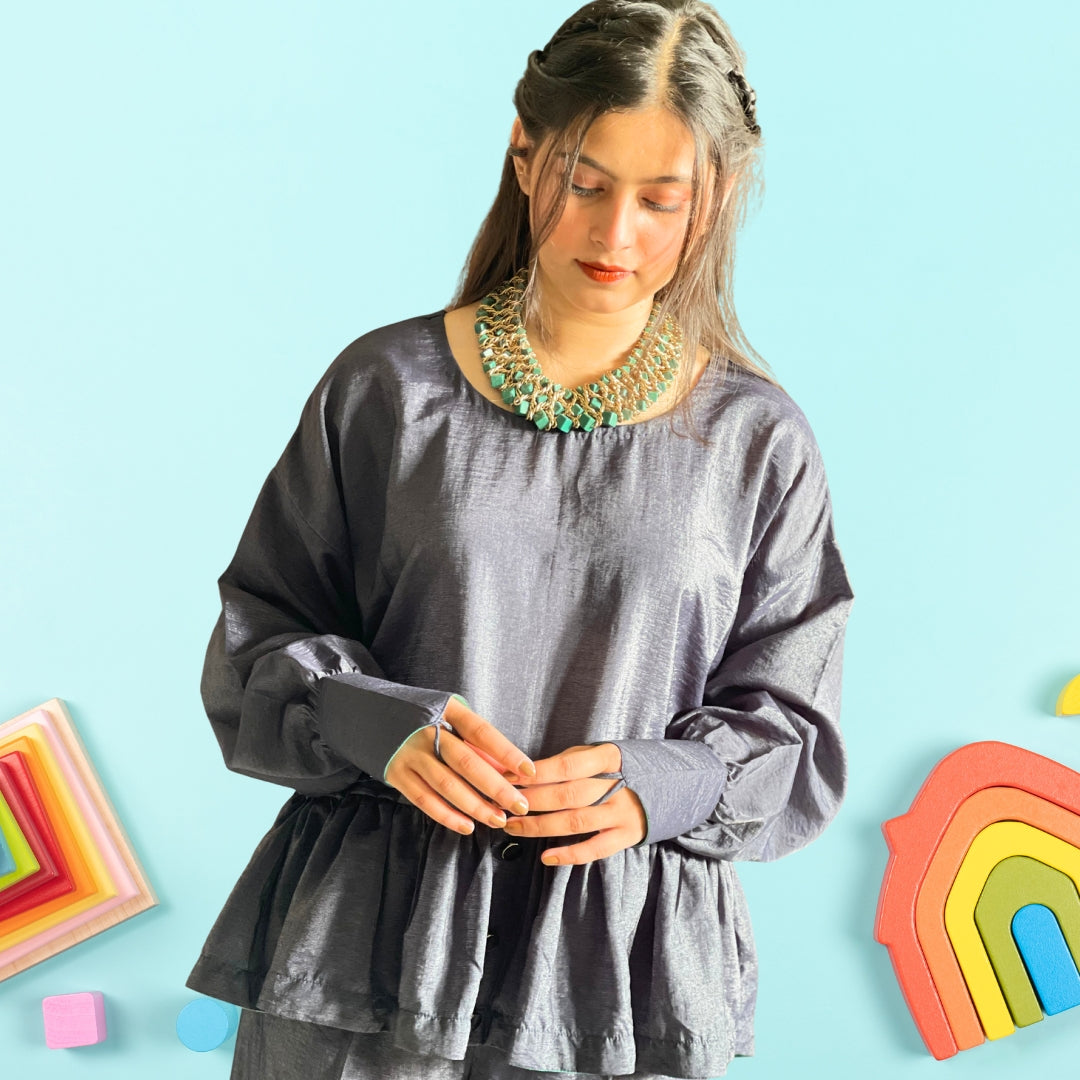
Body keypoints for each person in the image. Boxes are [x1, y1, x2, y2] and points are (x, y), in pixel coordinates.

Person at [185, 2, 855, 1078]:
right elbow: (257, 643)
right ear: (525, 149)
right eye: (585, 182)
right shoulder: (386, 390)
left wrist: (658, 781)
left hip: (618, 984)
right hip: (365, 956)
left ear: (717, 196)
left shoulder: (757, 441)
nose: (616, 234)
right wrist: (380, 726)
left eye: (661, 199)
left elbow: (793, 730)